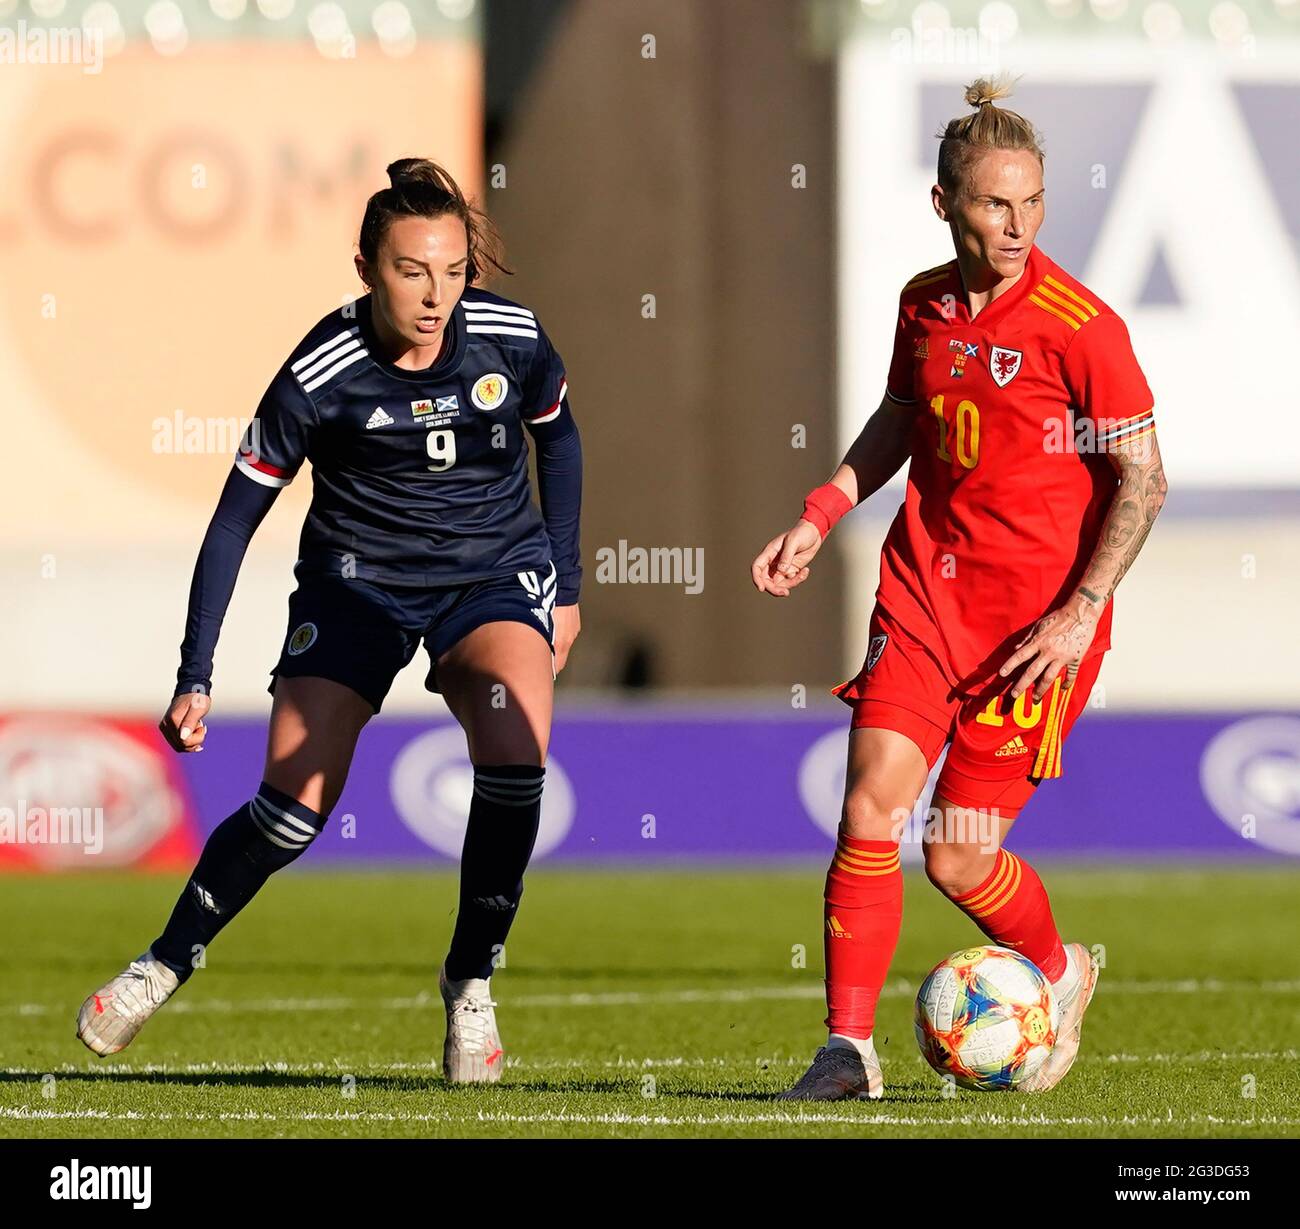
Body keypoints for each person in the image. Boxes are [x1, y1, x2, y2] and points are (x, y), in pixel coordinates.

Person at [77, 159, 583, 1085]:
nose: (436, 297)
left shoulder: (513, 338)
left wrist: (569, 579)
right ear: (366, 268)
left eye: (453, 270)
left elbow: (559, 433)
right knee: (294, 807)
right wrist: (196, 670)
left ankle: (470, 983)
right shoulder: (322, 371)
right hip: (357, 589)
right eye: (410, 271)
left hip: (491, 580)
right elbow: (237, 516)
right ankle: (165, 958)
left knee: (515, 758)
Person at [751, 78, 1166, 1100]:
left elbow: (1145, 477)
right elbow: (899, 425)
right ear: (945, 204)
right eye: (993, 203)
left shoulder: (1082, 328)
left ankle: (1058, 967)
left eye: (1031, 202)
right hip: (923, 602)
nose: (1017, 225)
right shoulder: (921, 303)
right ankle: (847, 1048)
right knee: (866, 808)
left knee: (955, 856)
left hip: (1033, 630)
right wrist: (817, 513)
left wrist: (1079, 612)